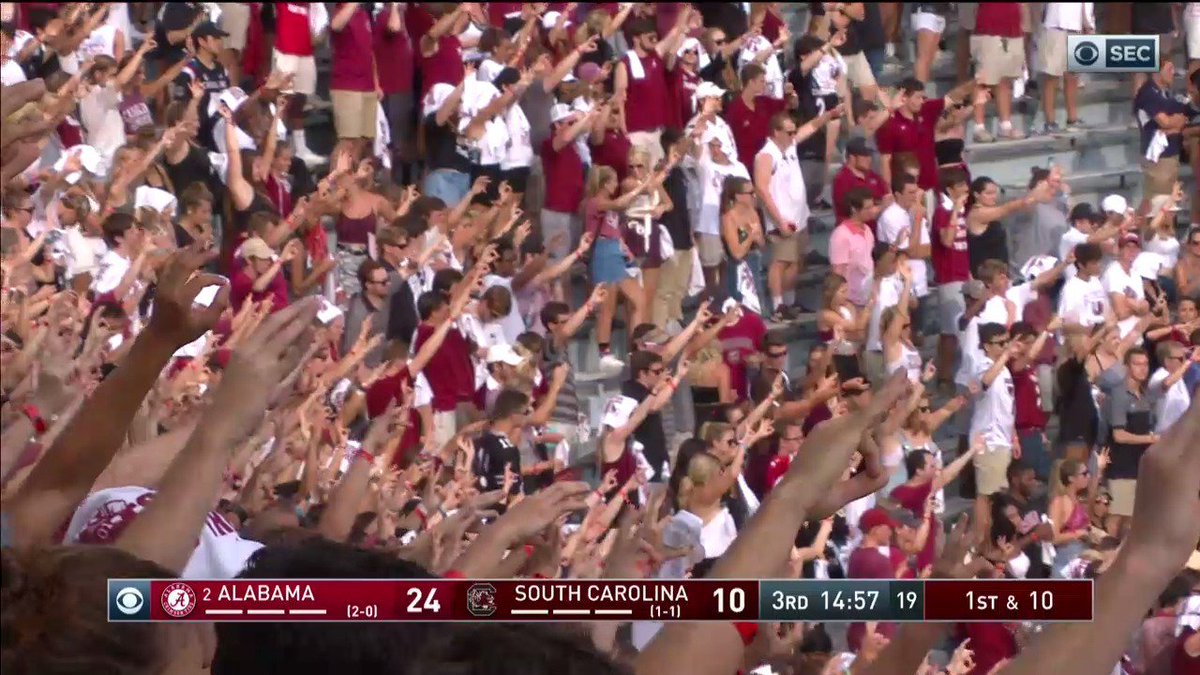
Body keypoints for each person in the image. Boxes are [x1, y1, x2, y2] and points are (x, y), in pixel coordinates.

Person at [1103, 347, 1160, 532]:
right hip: (1121, 465)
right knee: (1117, 515)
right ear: (1127, 367)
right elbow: (1118, 435)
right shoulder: (1119, 394)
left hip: (1140, 465)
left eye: (1145, 364)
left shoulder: (1145, 394)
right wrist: (1150, 439)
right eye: (1137, 364)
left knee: (1132, 519)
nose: (1142, 369)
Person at [970, 322, 1019, 497]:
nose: (1006, 346)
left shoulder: (1004, 370)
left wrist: (1014, 437)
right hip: (989, 441)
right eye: (1000, 343)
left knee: (999, 498)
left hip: (1003, 440)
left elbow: (1008, 405)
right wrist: (1005, 356)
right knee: (989, 498)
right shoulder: (983, 364)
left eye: (1007, 342)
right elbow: (985, 381)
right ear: (986, 346)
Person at [970, 2, 1027, 142]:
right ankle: (979, 127)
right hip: (988, 27)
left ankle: (1005, 126)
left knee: (1005, 79)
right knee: (983, 80)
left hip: (1013, 28)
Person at [829, 186, 879, 310]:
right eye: (867, 208)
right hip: (850, 301)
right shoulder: (841, 235)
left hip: (868, 298)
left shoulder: (867, 230)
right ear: (854, 209)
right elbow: (837, 272)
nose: (872, 211)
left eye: (872, 206)